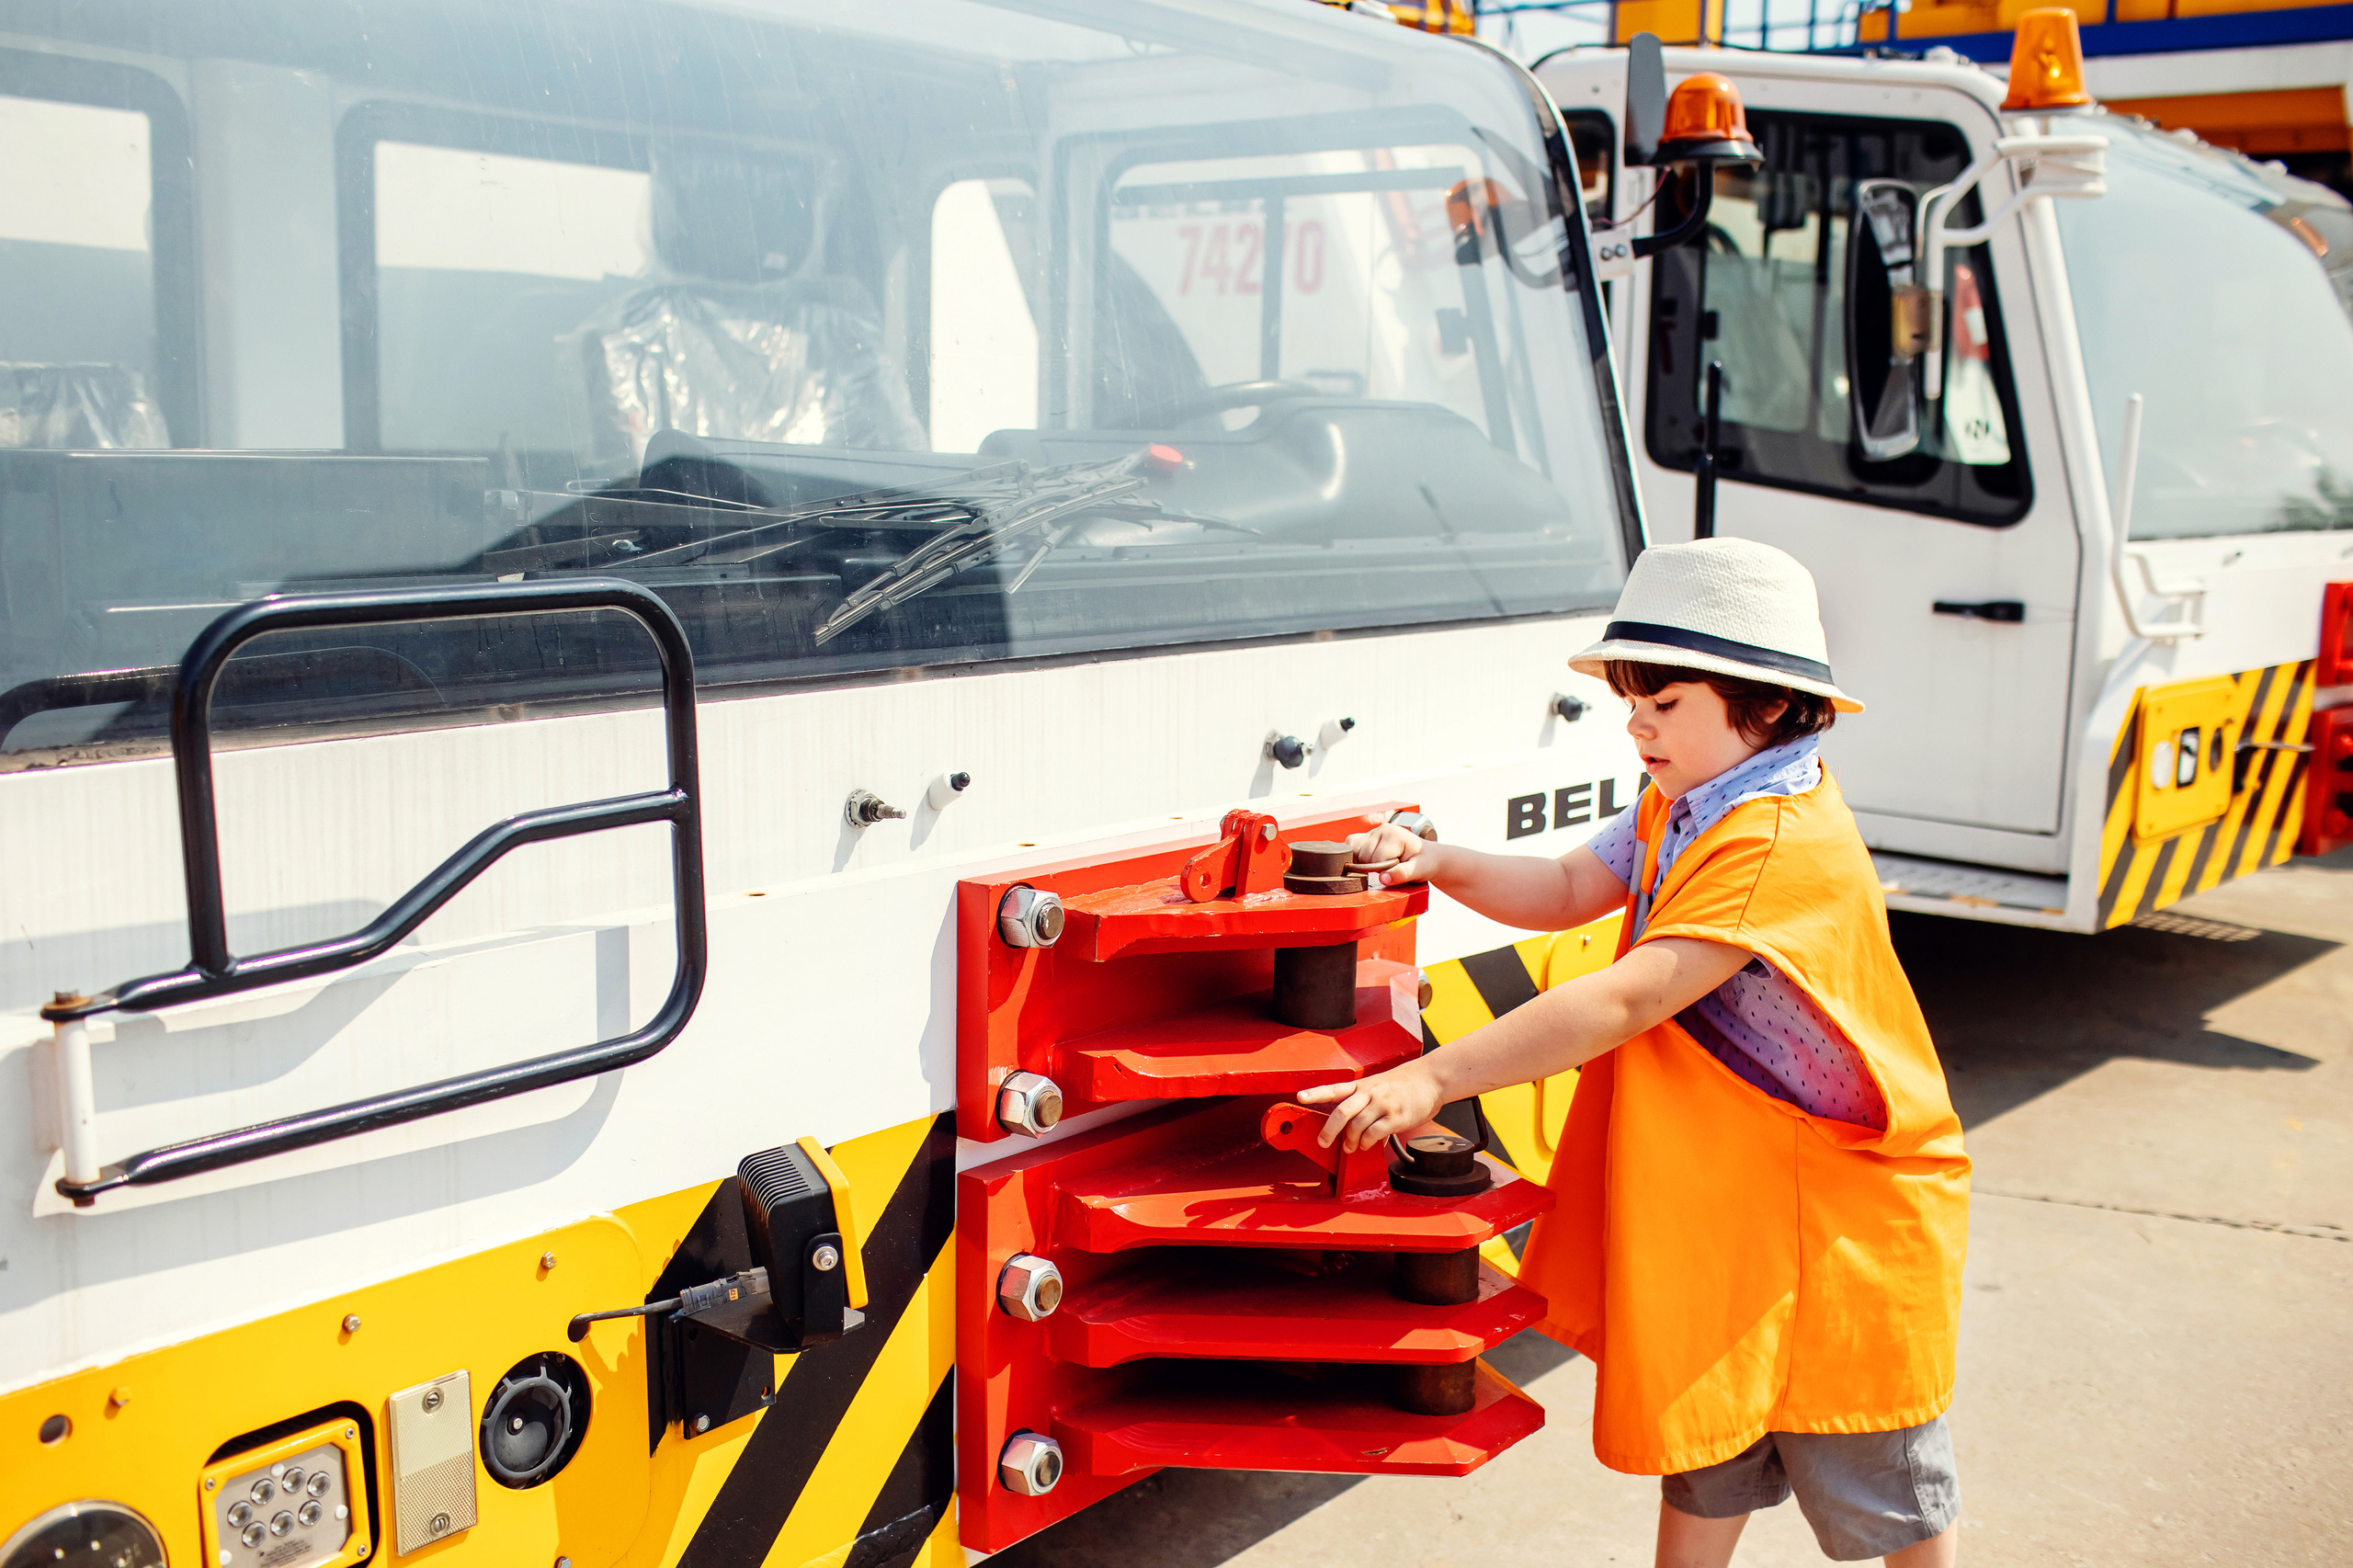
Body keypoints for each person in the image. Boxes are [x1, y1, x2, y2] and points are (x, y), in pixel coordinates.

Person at [1300, 537, 1971, 1567]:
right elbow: (1569, 886)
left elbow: (1625, 997)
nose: (1636, 723)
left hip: (1834, 1215)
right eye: (1629, 699)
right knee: (1704, 1431)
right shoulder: (1686, 801)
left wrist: (1434, 1074)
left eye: (1663, 700)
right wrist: (1439, 860)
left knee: (1874, 1463)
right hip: (1735, 1195)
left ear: (1767, 704)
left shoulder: (1774, 841)